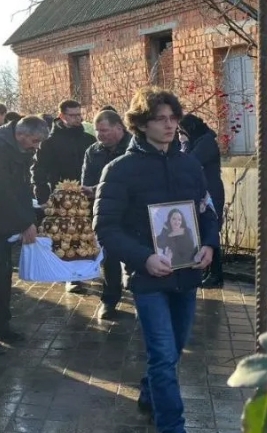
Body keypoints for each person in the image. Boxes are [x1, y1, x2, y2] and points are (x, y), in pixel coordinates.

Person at [94, 87, 218, 433]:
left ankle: (149, 393)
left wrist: (209, 244)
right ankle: (172, 426)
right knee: (163, 357)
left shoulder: (190, 165)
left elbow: (207, 212)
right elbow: (105, 227)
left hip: (187, 275)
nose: (169, 125)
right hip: (149, 279)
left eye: (173, 118)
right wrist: (143, 258)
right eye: (159, 119)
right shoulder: (120, 170)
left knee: (174, 351)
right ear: (141, 125)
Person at [32, 100, 96, 294]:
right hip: (61, 198)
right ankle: (71, 277)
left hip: (87, 195)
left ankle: (87, 270)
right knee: (66, 238)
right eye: (73, 115)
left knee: (86, 235)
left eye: (79, 114)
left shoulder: (88, 139)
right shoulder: (49, 142)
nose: (78, 118)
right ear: (62, 116)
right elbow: (38, 171)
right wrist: (43, 197)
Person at [0, 115, 50, 344]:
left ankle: (3, 327)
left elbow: (22, 189)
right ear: (21, 135)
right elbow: (6, 192)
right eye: (35, 141)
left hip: (6, 223)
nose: (36, 146)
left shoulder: (19, 149)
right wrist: (25, 222)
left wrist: (31, 216)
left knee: (3, 278)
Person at [81, 109, 132, 320]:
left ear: (119, 128)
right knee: (108, 258)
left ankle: (145, 297)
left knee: (135, 258)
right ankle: (109, 301)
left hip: (133, 211)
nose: (99, 135)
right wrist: (91, 190)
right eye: (97, 131)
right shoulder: (93, 151)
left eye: (104, 130)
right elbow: (86, 180)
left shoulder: (135, 147)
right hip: (107, 212)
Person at [178, 114, 225, 288]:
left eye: (182, 131)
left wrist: (184, 143)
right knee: (200, 231)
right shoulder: (200, 140)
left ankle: (216, 275)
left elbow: (189, 162)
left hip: (211, 192)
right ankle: (208, 271)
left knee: (211, 233)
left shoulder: (206, 142)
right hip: (201, 191)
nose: (180, 135)